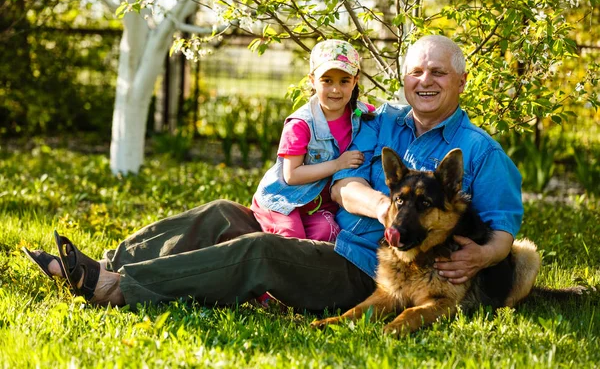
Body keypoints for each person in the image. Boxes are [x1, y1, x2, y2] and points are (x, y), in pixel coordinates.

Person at [23, 35, 522, 311]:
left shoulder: (479, 151)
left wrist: (482, 256)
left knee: (259, 251)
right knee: (223, 212)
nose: (425, 81)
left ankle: (118, 287)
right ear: (405, 78)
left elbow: (504, 230)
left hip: (364, 269)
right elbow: (346, 183)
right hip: (330, 232)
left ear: (460, 79)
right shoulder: (384, 121)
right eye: (417, 71)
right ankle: (105, 262)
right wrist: (384, 208)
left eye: (438, 72)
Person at [252, 39, 375, 243]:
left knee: (326, 235)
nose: (335, 89)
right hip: (283, 200)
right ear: (312, 80)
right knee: (292, 238)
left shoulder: (363, 114)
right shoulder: (301, 125)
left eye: (344, 81)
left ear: (355, 81)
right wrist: (338, 164)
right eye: (327, 80)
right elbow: (291, 175)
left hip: (316, 206)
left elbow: (391, 118)